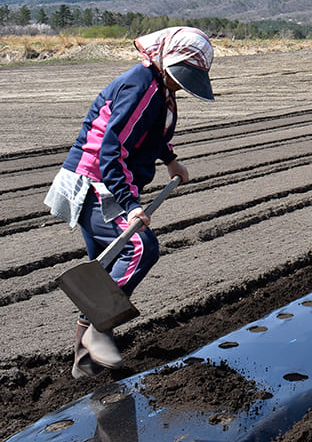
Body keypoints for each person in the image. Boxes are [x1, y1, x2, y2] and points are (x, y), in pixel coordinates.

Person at [44, 26, 214, 378]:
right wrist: (129, 203)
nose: (183, 84)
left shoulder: (159, 88)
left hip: (108, 182)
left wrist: (170, 160)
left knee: (103, 271)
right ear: (165, 57)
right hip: (94, 183)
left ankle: (84, 364)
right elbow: (112, 149)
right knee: (141, 247)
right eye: (182, 75)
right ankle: (98, 330)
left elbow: (147, 132)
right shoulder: (141, 87)